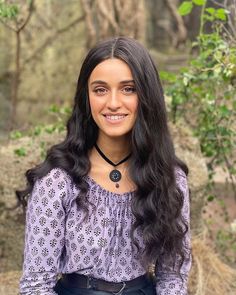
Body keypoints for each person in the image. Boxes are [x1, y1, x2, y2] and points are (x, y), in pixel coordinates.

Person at [18, 36, 192, 295]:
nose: (112, 103)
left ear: (147, 95)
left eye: (128, 89)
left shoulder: (169, 179)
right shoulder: (58, 181)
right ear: (86, 97)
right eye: (100, 89)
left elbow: (172, 278)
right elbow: (35, 287)